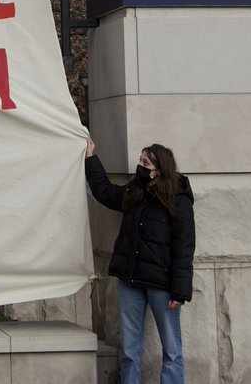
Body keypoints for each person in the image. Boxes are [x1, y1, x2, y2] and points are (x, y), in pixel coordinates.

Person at [85, 138, 195, 384]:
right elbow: (104, 192)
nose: (140, 166)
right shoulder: (135, 191)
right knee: (129, 351)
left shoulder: (178, 198)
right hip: (131, 282)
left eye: (145, 162)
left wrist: (179, 290)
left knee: (172, 351)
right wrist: (91, 158)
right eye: (140, 160)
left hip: (162, 287)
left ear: (159, 168)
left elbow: (184, 245)